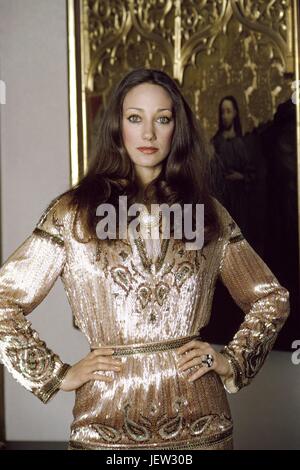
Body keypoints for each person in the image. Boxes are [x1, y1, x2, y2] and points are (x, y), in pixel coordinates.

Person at [0, 68, 290, 450]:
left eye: (163, 119)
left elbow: (271, 298)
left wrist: (232, 362)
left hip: (201, 426)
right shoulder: (72, 214)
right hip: (104, 425)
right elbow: (4, 299)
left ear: (177, 129)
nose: (149, 133)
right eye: (135, 118)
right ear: (117, 127)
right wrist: (56, 374)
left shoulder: (208, 214)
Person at [211, 96, 256, 239]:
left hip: (241, 201)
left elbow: (253, 172)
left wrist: (241, 177)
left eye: (228, 111)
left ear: (235, 113)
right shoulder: (215, 143)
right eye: (222, 112)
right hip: (223, 199)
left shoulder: (243, 143)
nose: (225, 116)